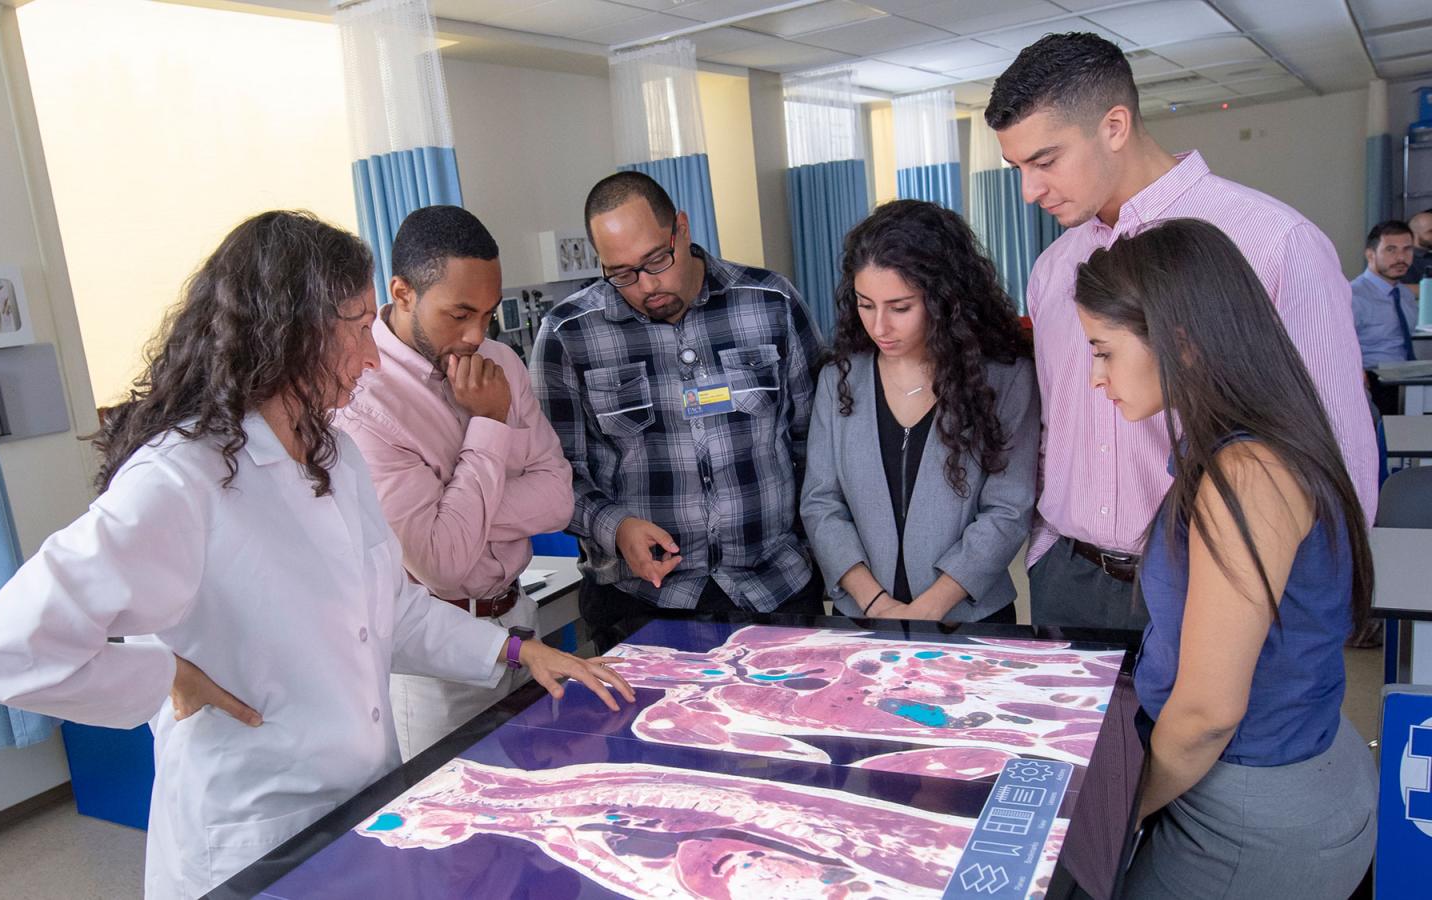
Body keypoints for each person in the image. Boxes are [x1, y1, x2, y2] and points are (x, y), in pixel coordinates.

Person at [0, 211, 632, 898]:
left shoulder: (336, 456)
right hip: (254, 831)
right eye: (358, 328)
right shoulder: (180, 476)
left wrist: (514, 654)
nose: (372, 358)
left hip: (358, 804)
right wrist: (162, 674)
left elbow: (391, 607)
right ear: (289, 331)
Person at [986, 32, 1378, 629]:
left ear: (1114, 125)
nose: (1029, 190)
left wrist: (1303, 613)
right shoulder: (1054, 268)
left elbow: (1336, 451)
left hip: (1209, 584)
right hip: (1067, 576)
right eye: (1017, 167)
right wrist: (1046, 550)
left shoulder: (1273, 243)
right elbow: (1056, 431)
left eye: (1045, 161)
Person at [1073, 218, 1376, 899]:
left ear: (1179, 343)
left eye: (1104, 351)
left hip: (1250, 807)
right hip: (1266, 775)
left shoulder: (1249, 475)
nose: (1097, 378)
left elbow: (1208, 710)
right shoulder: (1244, 447)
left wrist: (1113, 816)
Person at [531, 171, 824, 652]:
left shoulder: (770, 304)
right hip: (641, 606)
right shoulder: (569, 336)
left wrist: (814, 548)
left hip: (776, 591)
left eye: (656, 260)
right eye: (622, 274)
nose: (647, 286)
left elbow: (817, 443)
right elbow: (553, 472)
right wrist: (614, 526)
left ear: (682, 230)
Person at [336, 206, 573, 759]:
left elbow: (558, 498)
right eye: (459, 314)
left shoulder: (501, 363)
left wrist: (455, 505)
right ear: (402, 293)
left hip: (518, 617)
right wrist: (489, 424)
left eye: (488, 314)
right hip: (435, 661)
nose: (476, 336)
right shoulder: (363, 400)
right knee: (452, 829)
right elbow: (439, 561)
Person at [800, 200, 1037, 622]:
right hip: (862, 615)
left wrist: (929, 608)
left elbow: (1007, 509)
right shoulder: (840, 378)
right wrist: (876, 604)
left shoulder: (1004, 379)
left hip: (969, 618)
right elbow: (821, 504)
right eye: (865, 304)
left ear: (946, 299)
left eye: (901, 307)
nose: (879, 327)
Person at [1351, 219, 1420, 415]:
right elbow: (1338, 344)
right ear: (1370, 254)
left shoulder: (1404, 296)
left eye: (1407, 249)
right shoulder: (1352, 296)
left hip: (1406, 377)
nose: (1401, 257)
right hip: (1372, 381)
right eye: (1391, 250)